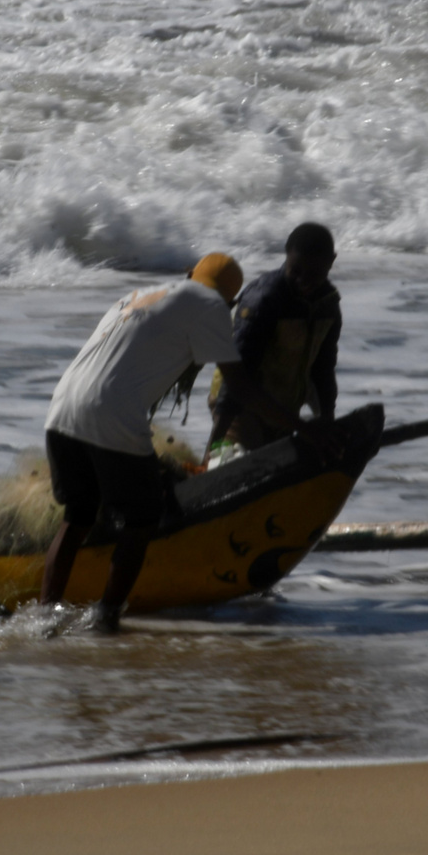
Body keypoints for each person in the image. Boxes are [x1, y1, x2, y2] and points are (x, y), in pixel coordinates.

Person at [41, 254, 330, 633]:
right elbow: (240, 386)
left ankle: (44, 615)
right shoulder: (209, 305)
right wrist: (306, 429)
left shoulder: (137, 295)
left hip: (62, 408)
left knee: (77, 516)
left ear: (189, 275)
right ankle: (106, 616)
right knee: (142, 519)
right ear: (230, 300)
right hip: (110, 414)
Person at [206, 222, 341, 460]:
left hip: (284, 411)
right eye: (295, 270)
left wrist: (327, 421)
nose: (303, 281)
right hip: (240, 407)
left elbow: (323, 370)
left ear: (331, 262)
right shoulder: (265, 299)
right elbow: (238, 377)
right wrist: (214, 445)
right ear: (286, 257)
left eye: (314, 274)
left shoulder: (328, 305)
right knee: (235, 468)